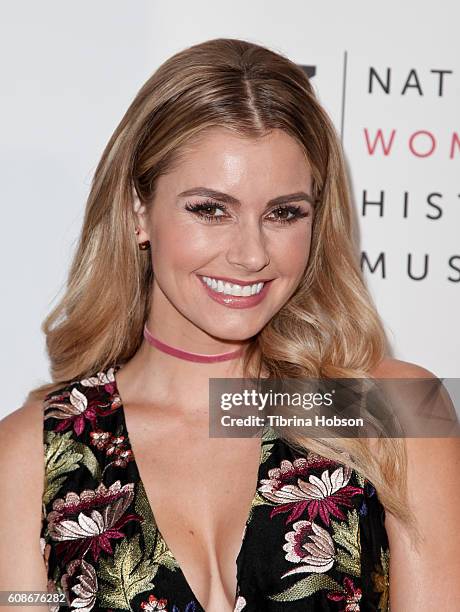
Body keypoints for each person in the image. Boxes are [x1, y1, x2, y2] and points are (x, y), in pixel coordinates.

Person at [0, 37, 458, 612]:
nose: (251, 254)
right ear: (138, 211)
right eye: (210, 209)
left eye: (284, 213)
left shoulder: (394, 408)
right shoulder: (34, 453)